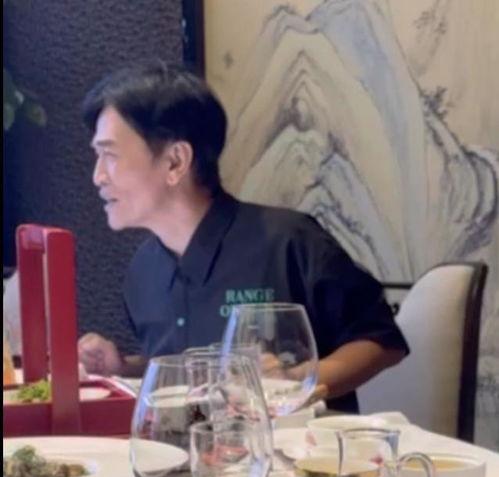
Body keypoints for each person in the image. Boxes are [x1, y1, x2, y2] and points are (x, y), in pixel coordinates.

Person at [78, 60, 408, 412]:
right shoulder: (143, 271)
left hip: (295, 442)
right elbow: (189, 372)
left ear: (175, 162)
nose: (98, 176)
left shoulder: (287, 241)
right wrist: (123, 369)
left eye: (109, 155)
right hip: (193, 445)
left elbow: (382, 341)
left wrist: (295, 381)